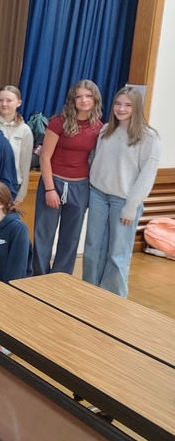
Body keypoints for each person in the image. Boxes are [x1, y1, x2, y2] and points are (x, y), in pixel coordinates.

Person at [83, 87, 161, 297]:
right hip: (99, 195)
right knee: (93, 248)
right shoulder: (105, 130)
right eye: (118, 104)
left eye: (128, 105)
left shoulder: (149, 137)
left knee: (117, 253)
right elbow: (94, 159)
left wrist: (131, 207)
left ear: (137, 108)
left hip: (124, 201)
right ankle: (89, 291)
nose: (121, 108)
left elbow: (147, 176)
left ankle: (113, 297)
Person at [33, 80, 103, 276]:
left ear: (95, 99)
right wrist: (49, 189)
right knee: (43, 234)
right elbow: (45, 157)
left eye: (88, 96)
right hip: (53, 181)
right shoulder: (58, 122)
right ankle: (38, 277)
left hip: (80, 187)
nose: (83, 100)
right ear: (72, 99)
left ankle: (60, 278)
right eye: (79, 96)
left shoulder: (99, 127)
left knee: (70, 237)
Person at [0, 85, 33, 205]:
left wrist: (21, 194)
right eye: (0, 100)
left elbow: (25, 164)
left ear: (19, 103)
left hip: (12, 185)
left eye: (9, 100)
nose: (4, 104)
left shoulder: (25, 130)